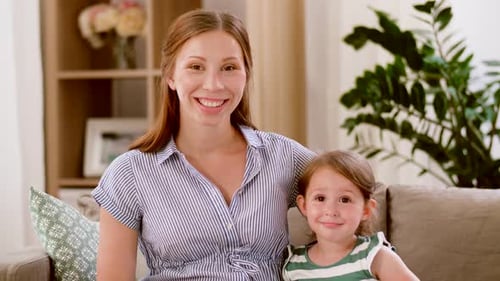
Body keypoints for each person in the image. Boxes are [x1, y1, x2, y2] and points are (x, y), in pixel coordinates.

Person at [91, 9, 315, 281]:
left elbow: (358, 197)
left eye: (229, 68)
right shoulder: (130, 173)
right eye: (196, 67)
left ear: (246, 75)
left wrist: (377, 257)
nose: (214, 84)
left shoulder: (283, 156)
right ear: (171, 76)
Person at [282, 150, 420, 281]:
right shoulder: (293, 266)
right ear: (304, 205)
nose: (331, 210)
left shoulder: (375, 256)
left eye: (345, 200)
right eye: (320, 198)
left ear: (365, 210)